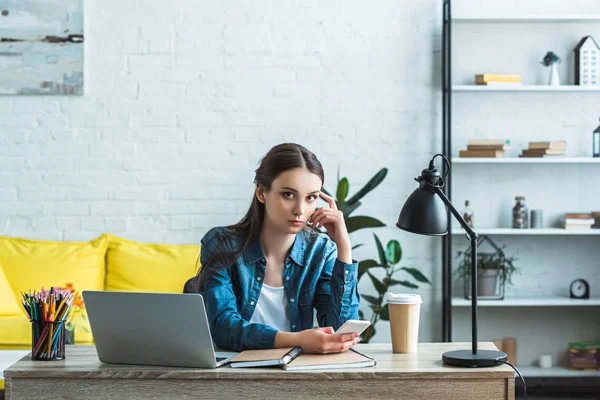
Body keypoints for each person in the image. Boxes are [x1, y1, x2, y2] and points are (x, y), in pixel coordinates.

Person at [196, 143, 360, 354]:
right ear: (262, 193)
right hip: (233, 374)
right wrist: (297, 340)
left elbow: (341, 333)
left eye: (311, 197)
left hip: (294, 375)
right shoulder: (221, 244)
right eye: (288, 194)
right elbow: (223, 328)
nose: (300, 210)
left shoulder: (321, 253)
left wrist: (343, 248)